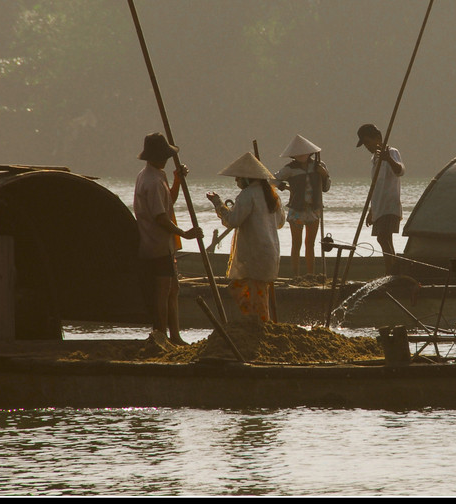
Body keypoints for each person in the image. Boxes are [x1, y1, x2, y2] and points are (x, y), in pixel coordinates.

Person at [134, 132, 203, 346]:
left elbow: (168, 202)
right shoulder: (150, 180)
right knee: (162, 292)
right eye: (163, 155)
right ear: (154, 156)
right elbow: (160, 217)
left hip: (164, 245)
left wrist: (177, 180)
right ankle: (162, 336)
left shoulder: (159, 175)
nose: (166, 158)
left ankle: (174, 336)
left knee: (173, 289)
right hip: (156, 245)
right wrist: (184, 233)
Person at [206, 152, 286, 322]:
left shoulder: (248, 195)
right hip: (269, 252)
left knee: (257, 296)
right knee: (249, 291)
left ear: (248, 178)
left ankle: (260, 327)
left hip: (255, 254)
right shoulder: (271, 195)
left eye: (238, 178)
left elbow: (232, 221)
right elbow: (280, 222)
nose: (236, 181)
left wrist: (218, 203)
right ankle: (253, 321)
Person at [272, 134, 331, 278]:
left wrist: (324, 175)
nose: (301, 155)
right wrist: (283, 186)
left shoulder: (319, 166)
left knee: (310, 244)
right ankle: (296, 275)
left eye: (304, 152)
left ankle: (310, 273)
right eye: (298, 153)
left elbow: (326, 187)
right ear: (293, 155)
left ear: (310, 152)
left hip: (314, 209)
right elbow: (272, 179)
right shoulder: (290, 169)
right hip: (297, 210)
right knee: (296, 243)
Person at [356, 123, 404, 275]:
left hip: (390, 205)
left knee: (383, 238)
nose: (367, 147)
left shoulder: (391, 152)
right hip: (379, 207)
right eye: (365, 145)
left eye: (368, 142)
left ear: (378, 138)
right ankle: (391, 271)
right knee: (383, 239)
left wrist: (388, 159)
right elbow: (377, 187)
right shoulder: (374, 159)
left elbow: (400, 171)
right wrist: (372, 210)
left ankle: (391, 273)